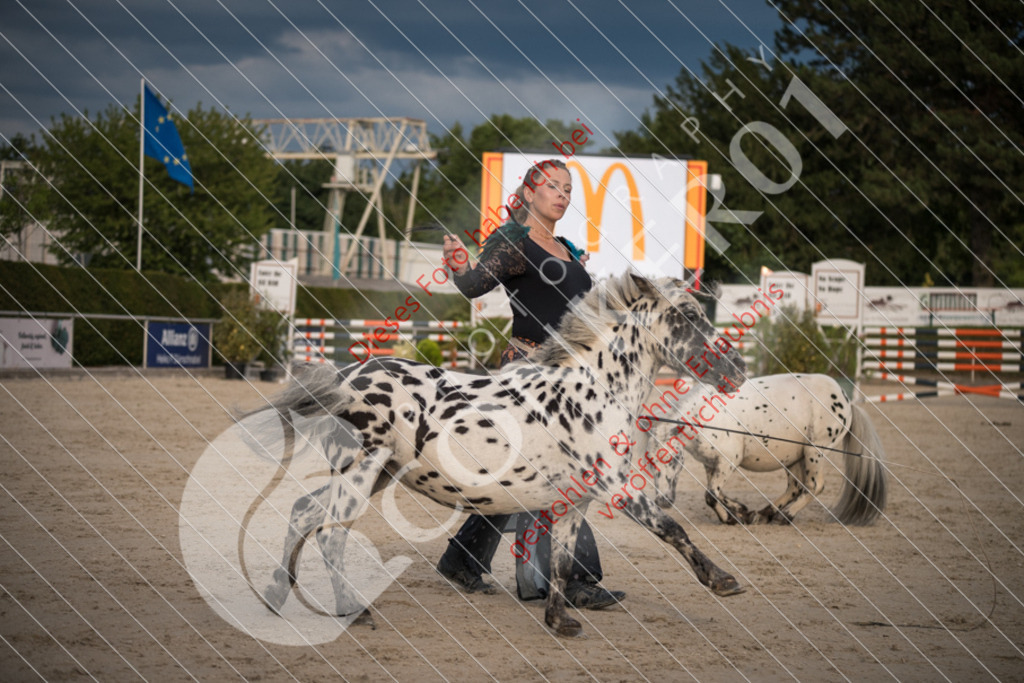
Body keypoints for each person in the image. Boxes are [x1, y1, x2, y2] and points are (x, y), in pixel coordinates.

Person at [434, 158, 625, 610]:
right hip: (528, 373)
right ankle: (575, 578)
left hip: (571, 377)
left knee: (518, 476)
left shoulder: (566, 248)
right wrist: (458, 264)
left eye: (567, 188)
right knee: (557, 473)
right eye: (552, 186)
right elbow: (475, 285)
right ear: (527, 194)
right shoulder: (514, 240)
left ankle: (461, 560)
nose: (562, 194)